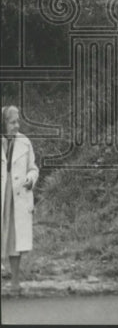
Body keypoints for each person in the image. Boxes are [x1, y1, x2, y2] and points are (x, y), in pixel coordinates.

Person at [1, 106, 38, 296]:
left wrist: (31, 179)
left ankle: (15, 282)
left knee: (14, 238)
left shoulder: (25, 142)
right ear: (3, 123)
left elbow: (33, 168)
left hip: (17, 195)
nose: (16, 125)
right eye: (12, 122)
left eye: (18, 122)